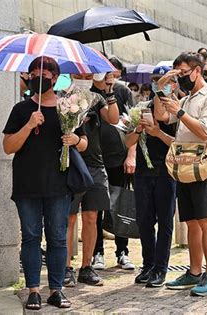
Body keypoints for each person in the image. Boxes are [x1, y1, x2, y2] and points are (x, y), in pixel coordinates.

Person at [2, 57, 87, 310]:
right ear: (28, 77)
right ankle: (33, 290)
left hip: (59, 184)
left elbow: (84, 144)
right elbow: (8, 147)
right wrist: (29, 125)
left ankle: (56, 289)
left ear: (55, 76)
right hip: (27, 184)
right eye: (35, 71)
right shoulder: (21, 109)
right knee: (30, 237)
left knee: (58, 238)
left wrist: (74, 140)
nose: (41, 75)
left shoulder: (68, 107)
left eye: (46, 71)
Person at [154, 52, 207, 297]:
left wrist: (180, 112)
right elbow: (161, 116)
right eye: (178, 74)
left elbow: (206, 132)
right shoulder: (186, 100)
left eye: (184, 73)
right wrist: (160, 88)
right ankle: (194, 272)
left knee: (206, 220)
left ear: (198, 70)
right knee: (192, 221)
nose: (182, 78)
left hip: (204, 167)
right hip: (184, 166)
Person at [63, 73, 120, 288]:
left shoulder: (98, 98)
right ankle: (66, 267)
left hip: (95, 164)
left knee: (91, 216)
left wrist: (110, 89)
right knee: (68, 218)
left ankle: (87, 267)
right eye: (80, 74)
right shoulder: (64, 96)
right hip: (71, 164)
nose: (84, 77)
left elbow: (113, 119)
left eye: (88, 74)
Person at [125, 66, 177, 288]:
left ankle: (160, 268)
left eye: (164, 82)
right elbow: (127, 142)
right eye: (156, 81)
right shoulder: (141, 108)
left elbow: (178, 144)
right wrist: (138, 130)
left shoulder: (177, 109)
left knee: (165, 222)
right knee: (144, 221)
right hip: (144, 173)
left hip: (167, 172)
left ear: (173, 85)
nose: (160, 85)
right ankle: (148, 264)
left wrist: (157, 133)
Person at [91, 71, 136, 271]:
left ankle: (122, 252)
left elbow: (132, 124)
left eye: (109, 73)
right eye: (102, 73)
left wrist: (131, 154)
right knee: (95, 210)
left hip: (118, 157)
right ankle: (97, 252)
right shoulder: (88, 95)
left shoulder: (121, 91)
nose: (106, 77)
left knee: (120, 206)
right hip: (94, 159)